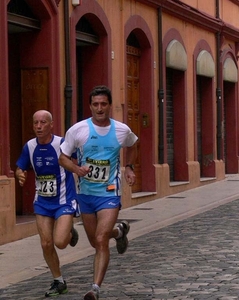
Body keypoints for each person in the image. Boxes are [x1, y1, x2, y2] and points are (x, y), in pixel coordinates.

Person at [58, 85, 138, 300]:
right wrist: (76, 169)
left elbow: (133, 145)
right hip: (85, 193)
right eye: (96, 104)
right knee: (96, 241)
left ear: (110, 106)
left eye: (104, 104)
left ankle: (95, 289)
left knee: (101, 238)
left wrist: (129, 167)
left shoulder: (121, 130)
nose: (100, 108)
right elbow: (62, 157)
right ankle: (120, 231)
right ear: (90, 106)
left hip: (110, 192)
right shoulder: (78, 130)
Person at [15, 110, 79, 297]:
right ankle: (59, 281)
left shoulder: (61, 144)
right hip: (42, 201)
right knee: (46, 243)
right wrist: (20, 174)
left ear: (51, 125)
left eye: (43, 122)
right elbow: (21, 166)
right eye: (36, 123)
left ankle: (68, 230)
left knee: (60, 242)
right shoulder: (30, 146)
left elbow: (79, 158)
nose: (39, 126)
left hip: (64, 199)